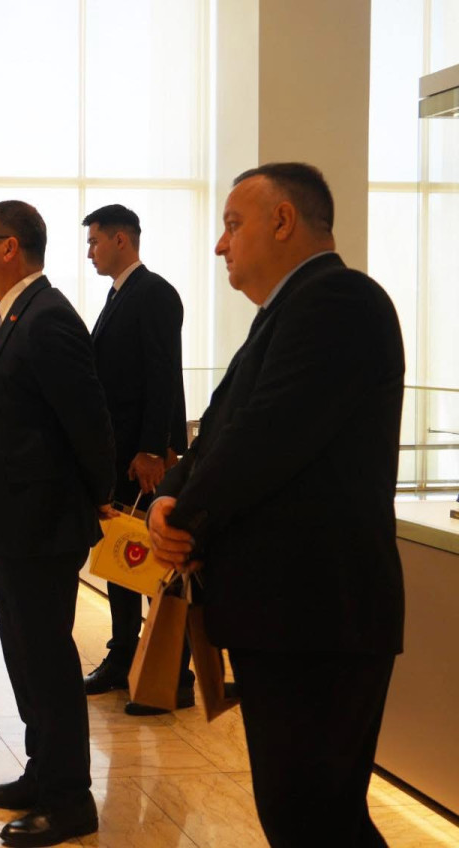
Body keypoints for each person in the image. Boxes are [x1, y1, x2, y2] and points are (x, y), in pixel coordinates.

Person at [147, 163, 405, 847]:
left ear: (283, 220)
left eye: (233, 224)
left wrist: (185, 518)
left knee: (313, 818)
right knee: (310, 815)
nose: (220, 244)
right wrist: (170, 496)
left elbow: (265, 437)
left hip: (320, 614)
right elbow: (217, 430)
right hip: (294, 615)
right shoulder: (284, 314)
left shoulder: (340, 301)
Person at [0, 200, 114, 847]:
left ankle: (70, 799)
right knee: (25, 656)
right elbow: (22, 416)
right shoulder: (15, 314)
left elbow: (89, 423)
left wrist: (94, 500)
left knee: (47, 661)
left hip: (41, 525)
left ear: (10, 247)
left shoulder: (47, 317)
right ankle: (43, 770)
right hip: (13, 522)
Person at [79, 204, 193, 715]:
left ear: (121, 240)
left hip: (141, 457)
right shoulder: (119, 295)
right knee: (122, 557)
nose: (90, 252)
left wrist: (152, 449)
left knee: (158, 566)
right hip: (120, 453)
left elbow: (163, 375)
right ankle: (123, 655)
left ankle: (172, 675)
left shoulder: (155, 293)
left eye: (95, 241)